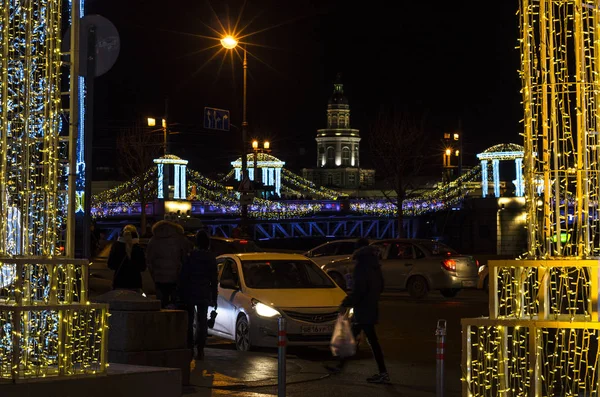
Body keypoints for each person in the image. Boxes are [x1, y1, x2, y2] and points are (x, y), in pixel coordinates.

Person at [328, 238, 389, 384]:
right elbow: (380, 286)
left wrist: (346, 302)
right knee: (355, 337)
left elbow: (359, 290)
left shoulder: (361, 266)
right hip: (370, 307)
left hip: (363, 309)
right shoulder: (375, 265)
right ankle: (340, 366)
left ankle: (383, 373)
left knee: (367, 340)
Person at [179, 230, 218, 360]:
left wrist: (181, 291)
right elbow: (214, 279)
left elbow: (184, 275)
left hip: (190, 291)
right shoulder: (211, 258)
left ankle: (189, 347)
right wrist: (214, 297)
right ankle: (200, 348)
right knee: (202, 321)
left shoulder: (191, 256)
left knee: (189, 322)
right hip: (204, 291)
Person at [146, 220, 192, 308]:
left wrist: (153, 274)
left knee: (161, 303)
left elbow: (149, 260)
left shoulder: (153, 240)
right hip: (175, 276)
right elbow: (185, 258)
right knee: (175, 303)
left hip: (158, 277)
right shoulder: (180, 240)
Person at [107, 224, 146, 292]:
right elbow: (143, 267)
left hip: (119, 281)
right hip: (135, 282)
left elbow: (111, 265)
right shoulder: (138, 248)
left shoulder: (116, 247)